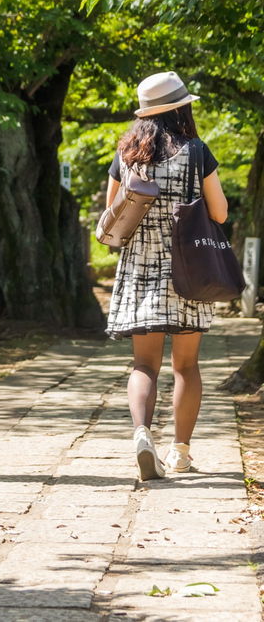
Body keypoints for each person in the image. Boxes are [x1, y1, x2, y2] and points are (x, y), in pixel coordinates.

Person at [105, 71, 228, 480]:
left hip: (141, 267)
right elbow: (221, 211)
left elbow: (113, 214)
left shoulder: (127, 155)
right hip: (189, 267)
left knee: (144, 364)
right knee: (186, 366)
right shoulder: (197, 152)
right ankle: (180, 451)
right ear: (181, 109)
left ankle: (142, 434)